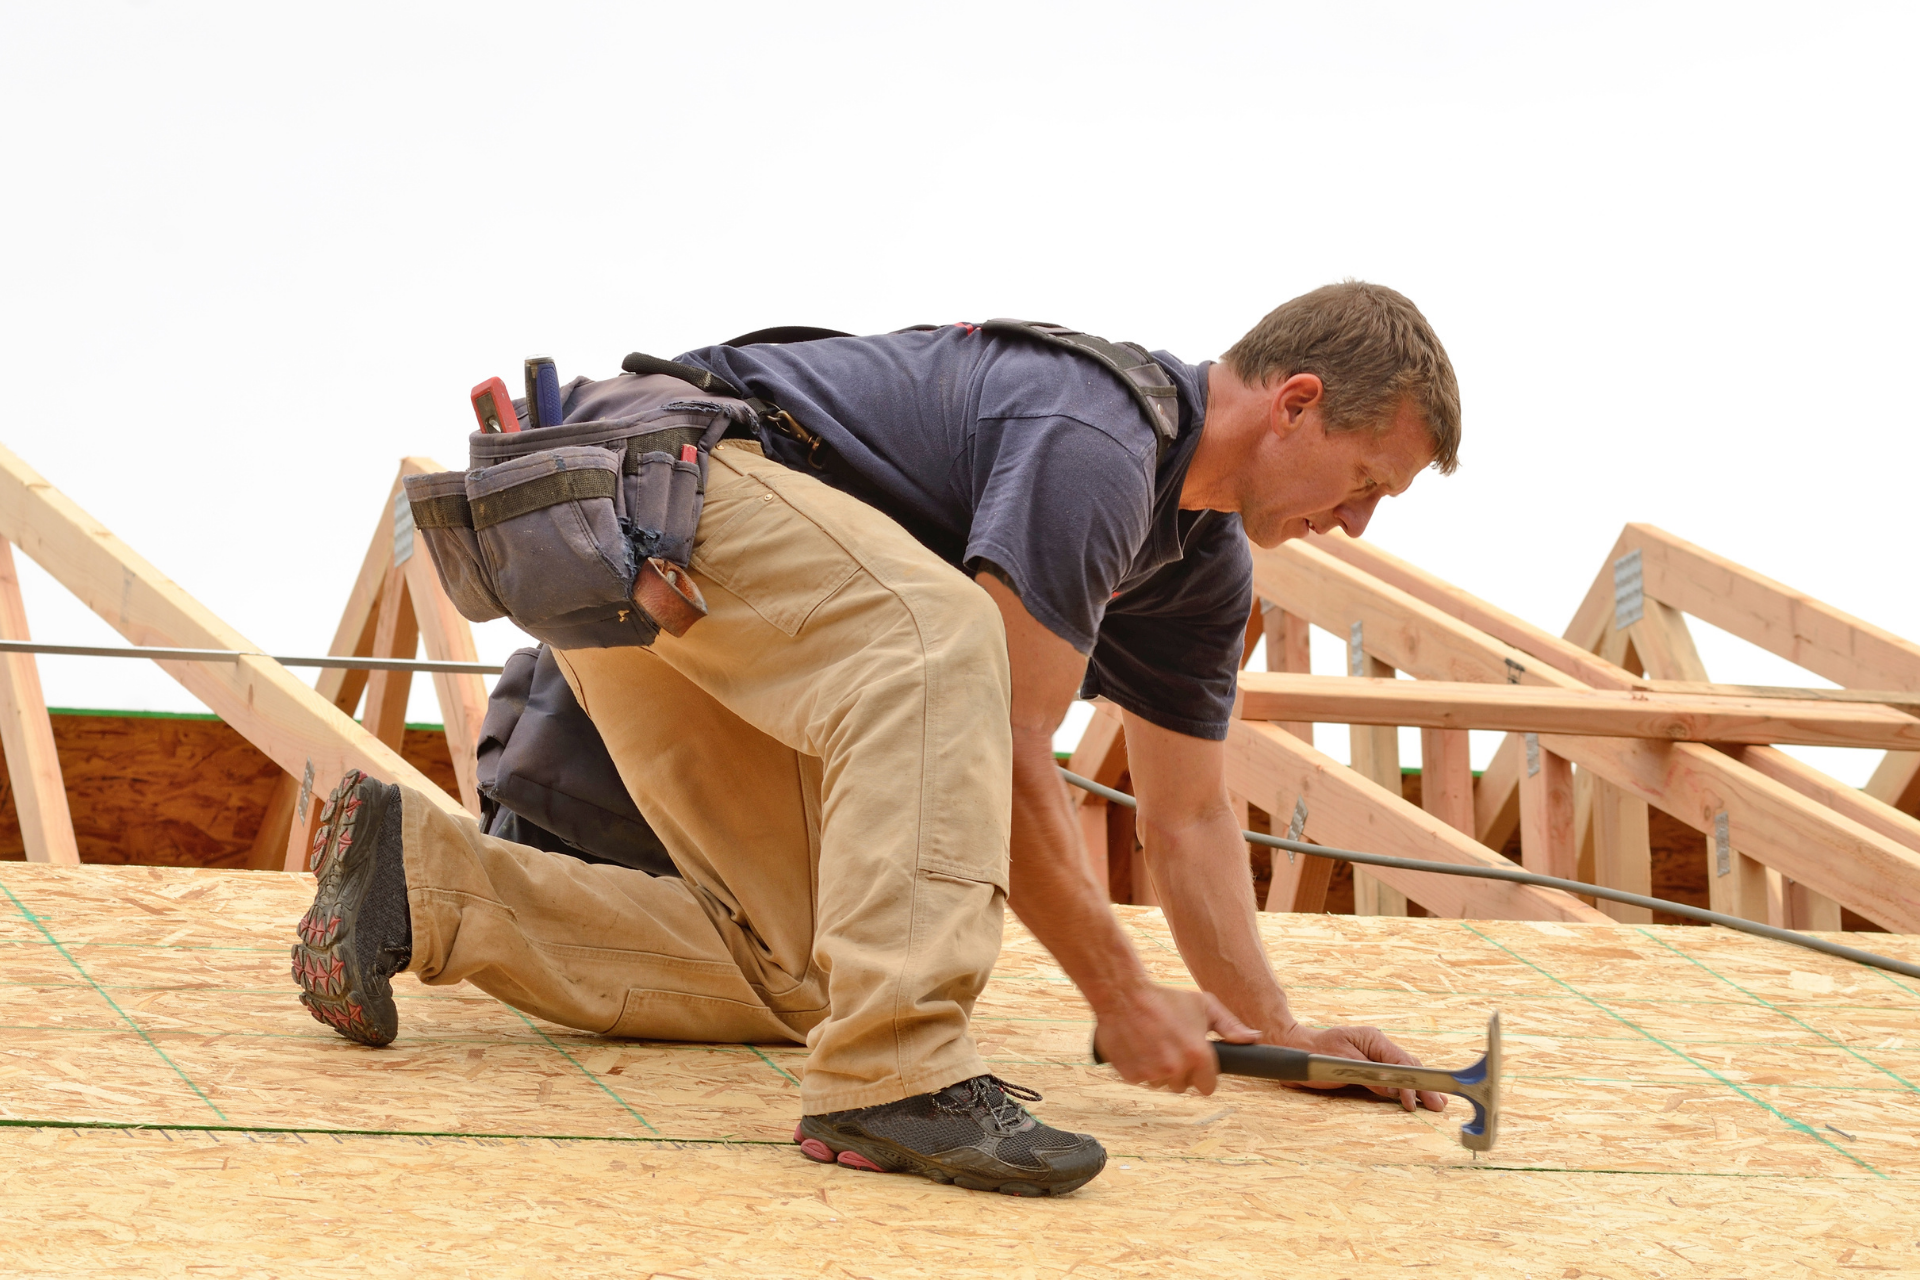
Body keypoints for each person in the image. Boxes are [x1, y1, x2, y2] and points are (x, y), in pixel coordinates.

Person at [289, 280, 1461, 1198]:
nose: (1354, 521)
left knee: (811, 968)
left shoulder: (1199, 571)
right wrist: (1119, 990)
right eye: (1366, 480)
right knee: (945, 640)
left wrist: (1278, 1031)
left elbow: (1190, 815)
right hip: (657, 501)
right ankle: (896, 1072)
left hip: (656, 583)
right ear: (1296, 402)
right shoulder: (1100, 436)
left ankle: (421, 882)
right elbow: (1000, 736)